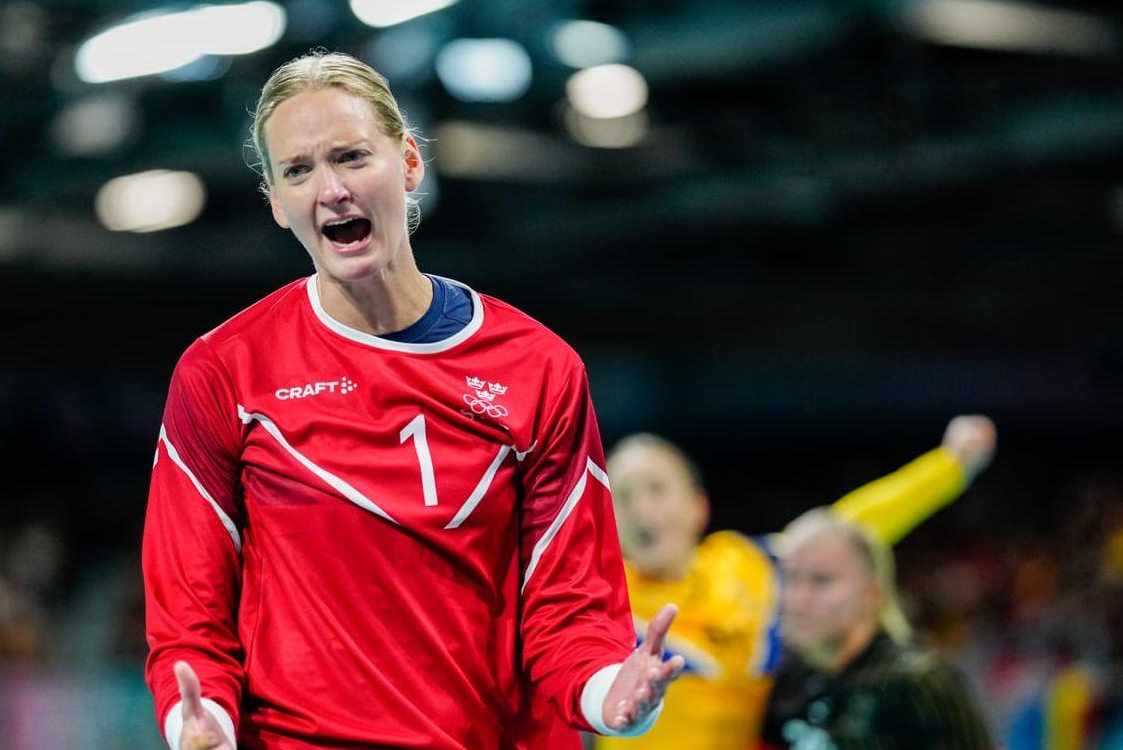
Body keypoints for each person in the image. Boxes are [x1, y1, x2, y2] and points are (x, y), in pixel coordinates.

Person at [141, 50, 683, 750]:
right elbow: (189, 612)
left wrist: (615, 695)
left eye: (351, 157)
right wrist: (203, 721)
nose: (330, 189)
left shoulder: (540, 370)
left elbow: (570, 609)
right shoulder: (223, 372)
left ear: (409, 163)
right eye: (299, 171)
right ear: (276, 202)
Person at [596, 415, 996, 749]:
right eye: (624, 496)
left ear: (698, 506)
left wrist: (949, 467)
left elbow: (842, 531)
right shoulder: (598, 599)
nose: (641, 509)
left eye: (656, 489)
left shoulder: (746, 565)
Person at [759, 509, 994, 749]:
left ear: (872, 593)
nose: (798, 597)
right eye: (790, 577)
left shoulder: (916, 683)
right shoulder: (780, 685)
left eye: (821, 580)